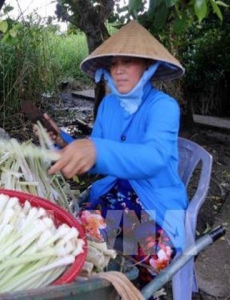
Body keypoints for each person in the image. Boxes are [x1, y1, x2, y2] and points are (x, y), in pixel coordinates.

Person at [41, 20, 192, 297]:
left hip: (154, 203)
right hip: (115, 195)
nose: (118, 69)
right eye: (113, 63)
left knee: (152, 257)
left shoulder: (164, 107)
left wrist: (95, 150)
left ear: (147, 67)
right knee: (70, 230)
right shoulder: (109, 105)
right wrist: (65, 142)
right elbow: (97, 154)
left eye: (128, 61)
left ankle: (126, 286)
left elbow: (155, 157)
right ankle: (107, 283)